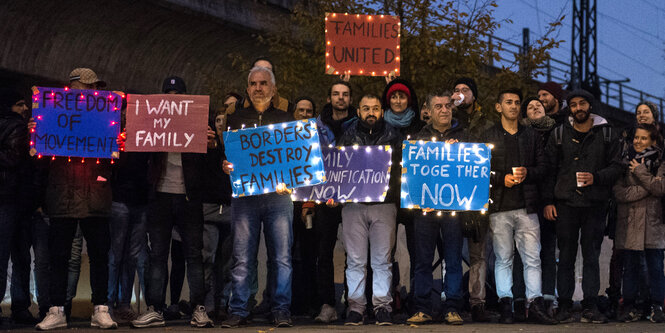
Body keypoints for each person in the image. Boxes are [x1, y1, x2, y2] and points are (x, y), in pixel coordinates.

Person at [35, 68, 118, 330]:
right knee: (59, 256)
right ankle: (57, 309)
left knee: (99, 255)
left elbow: (119, 162)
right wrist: (36, 131)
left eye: (95, 87)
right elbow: (38, 163)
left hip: (95, 196)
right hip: (63, 194)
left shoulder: (105, 117)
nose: (94, 91)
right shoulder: (52, 114)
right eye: (88, 86)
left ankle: (100, 309)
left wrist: (118, 138)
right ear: (72, 88)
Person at [131, 76, 214, 328]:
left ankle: (199, 308)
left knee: (193, 255)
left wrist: (213, 145)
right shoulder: (153, 123)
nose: (174, 98)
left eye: (179, 94)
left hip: (189, 198)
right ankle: (155, 307)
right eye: (169, 93)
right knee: (158, 255)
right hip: (160, 197)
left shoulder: (201, 124)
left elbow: (212, 169)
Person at [221, 66, 295, 328]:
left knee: (282, 258)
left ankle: (281, 309)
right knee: (242, 256)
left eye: (264, 83)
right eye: (253, 84)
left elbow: (295, 159)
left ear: (273, 89)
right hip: (245, 198)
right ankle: (239, 309)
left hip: (278, 197)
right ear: (247, 89)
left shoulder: (287, 119)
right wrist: (226, 165)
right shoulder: (235, 119)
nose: (258, 88)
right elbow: (228, 158)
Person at [543, 89, 623, 324]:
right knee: (565, 257)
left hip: (594, 204)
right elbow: (549, 171)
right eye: (574, 104)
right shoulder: (559, 133)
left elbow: (617, 166)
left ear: (590, 106)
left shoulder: (607, 133)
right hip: (565, 203)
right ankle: (565, 304)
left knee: (591, 256)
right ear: (569, 107)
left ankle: (590, 304)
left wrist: (596, 177)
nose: (578, 108)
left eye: (582, 103)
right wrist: (548, 201)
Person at [482, 89, 557, 325]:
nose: (513, 106)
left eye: (516, 103)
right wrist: (500, 178)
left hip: (527, 206)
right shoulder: (489, 135)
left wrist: (528, 172)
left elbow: (543, 167)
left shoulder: (531, 135)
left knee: (531, 258)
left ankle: (533, 304)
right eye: (508, 102)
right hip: (500, 206)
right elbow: (480, 168)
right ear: (498, 107)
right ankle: (507, 304)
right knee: (503, 258)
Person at [337, 94, 400, 326]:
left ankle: (382, 307)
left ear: (382, 111)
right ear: (359, 112)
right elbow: (337, 169)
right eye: (366, 108)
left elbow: (403, 171)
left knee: (382, 260)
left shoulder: (395, 136)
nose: (371, 112)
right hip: (354, 206)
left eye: (375, 108)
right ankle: (356, 308)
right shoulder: (346, 135)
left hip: (384, 204)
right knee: (355, 260)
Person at [406, 91, 465, 325]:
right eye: (438, 106)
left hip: (454, 210)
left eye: (447, 106)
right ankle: (423, 308)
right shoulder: (418, 138)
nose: (444, 110)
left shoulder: (465, 137)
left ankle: (452, 308)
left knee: (453, 259)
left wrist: (460, 151)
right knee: (422, 260)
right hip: (425, 209)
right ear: (428, 111)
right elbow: (410, 175)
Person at [309, 81, 357, 323]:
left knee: (355, 254)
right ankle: (327, 304)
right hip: (323, 198)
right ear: (329, 98)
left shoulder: (359, 124)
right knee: (323, 253)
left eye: (345, 94)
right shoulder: (315, 127)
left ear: (350, 99)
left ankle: (354, 302)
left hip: (353, 200)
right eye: (336, 94)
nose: (341, 98)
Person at [451, 77, 496, 322]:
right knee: (452, 252)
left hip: (477, 197)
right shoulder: (447, 122)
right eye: (456, 90)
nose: (459, 94)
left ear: (474, 96)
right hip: (448, 197)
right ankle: (454, 302)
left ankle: (478, 302)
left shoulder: (487, 125)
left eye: (465, 90)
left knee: (478, 254)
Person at [613, 123, 665, 323]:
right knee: (631, 267)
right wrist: (645, 189)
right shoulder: (623, 160)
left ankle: (657, 305)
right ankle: (629, 305)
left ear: (653, 141)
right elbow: (618, 192)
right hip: (630, 221)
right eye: (636, 137)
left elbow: (661, 188)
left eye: (644, 138)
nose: (638, 141)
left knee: (655, 267)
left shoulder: (660, 160)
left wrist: (641, 172)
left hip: (653, 222)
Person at [511, 97, 557, 319]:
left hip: (546, 200)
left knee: (547, 251)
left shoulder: (555, 132)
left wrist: (549, 200)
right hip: (524, 200)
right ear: (525, 114)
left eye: (538, 104)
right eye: (530, 106)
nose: (535, 107)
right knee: (522, 254)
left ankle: (547, 299)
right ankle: (520, 301)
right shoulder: (521, 134)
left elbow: (550, 171)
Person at [107, 93, 150, 324]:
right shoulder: (113, 135)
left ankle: (124, 304)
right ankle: (108, 303)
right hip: (120, 200)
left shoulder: (149, 136)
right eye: (126, 109)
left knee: (131, 256)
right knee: (116, 255)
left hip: (141, 202)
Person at [0, 89, 30, 325]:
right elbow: (13, 158)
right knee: (18, 256)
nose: (25, 109)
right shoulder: (18, 128)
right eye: (20, 104)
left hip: (11, 198)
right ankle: (20, 307)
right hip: (13, 198)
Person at [201, 109, 233, 320]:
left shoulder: (236, 147)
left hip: (231, 208)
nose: (221, 124)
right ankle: (207, 303)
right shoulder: (207, 149)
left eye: (224, 121)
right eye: (217, 120)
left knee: (229, 261)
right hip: (210, 208)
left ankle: (225, 304)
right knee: (208, 258)